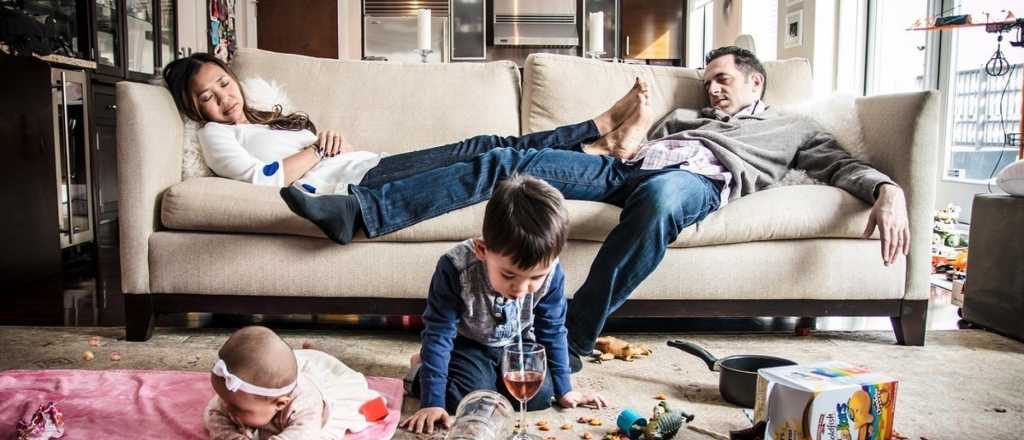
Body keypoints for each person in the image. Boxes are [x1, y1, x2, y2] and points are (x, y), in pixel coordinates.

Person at [281, 46, 911, 371]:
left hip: (694, 184)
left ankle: (574, 337)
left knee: (663, 199)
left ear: (756, 84)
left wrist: (889, 191)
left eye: (724, 78)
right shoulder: (684, 116)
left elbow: (843, 166)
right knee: (506, 163)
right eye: (709, 77)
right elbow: (628, 150)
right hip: (626, 169)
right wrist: (630, 134)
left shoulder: (790, 128)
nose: (713, 86)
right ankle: (359, 213)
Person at [161, 53, 650, 200]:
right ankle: (597, 150)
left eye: (224, 83)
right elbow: (262, 179)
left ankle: (601, 128)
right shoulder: (215, 135)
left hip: (367, 163)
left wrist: (332, 146)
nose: (224, 98)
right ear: (195, 106)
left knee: (489, 144)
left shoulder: (265, 112)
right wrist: (319, 152)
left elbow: (315, 156)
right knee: (499, 160)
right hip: (361, 182)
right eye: (207, 95)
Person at [399, 175, 608, 435]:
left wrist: (565, 389)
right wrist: (432, 402)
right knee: (466, 399)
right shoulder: (455, 268)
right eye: (509, 275)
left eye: (535, 277)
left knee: (541, 395)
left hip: (517, 342)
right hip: (467, 343)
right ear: (482, 250)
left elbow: (552, 329)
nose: (521, 289)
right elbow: (439, 333)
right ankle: (419, 369)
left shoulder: (553, 272)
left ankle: (496, 378)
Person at [204, 326, 382, 439]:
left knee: (371, 409)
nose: (226, 408)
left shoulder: (306, 407)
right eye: (224, 399)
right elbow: (213, 416)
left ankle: (320, 353)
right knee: (270, 365)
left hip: (320, 389)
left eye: (237, 408)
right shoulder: (234, 397)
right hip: (289, 372)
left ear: (280, 403)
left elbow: (304, 435)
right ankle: (311, 353)